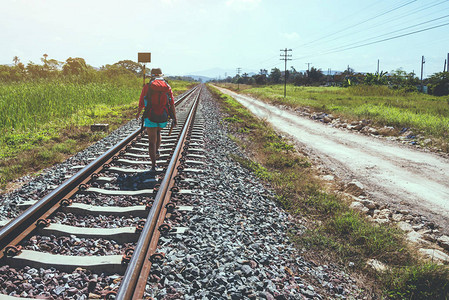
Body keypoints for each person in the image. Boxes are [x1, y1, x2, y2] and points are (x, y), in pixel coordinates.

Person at [136, 68, 177, 171]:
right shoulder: (167, 86)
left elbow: (141, 102)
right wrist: (174, 118)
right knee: (158, 132)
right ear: (160, 75)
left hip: (150, 115)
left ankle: (154, 165)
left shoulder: (147, 86)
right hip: (163, 115)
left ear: (152, 75)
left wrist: (138, 113)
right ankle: (157, 150)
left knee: (151, 141)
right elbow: (171, 103)